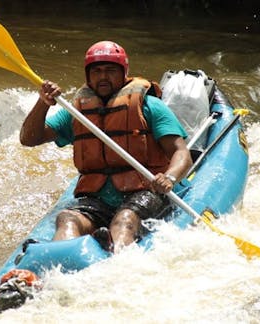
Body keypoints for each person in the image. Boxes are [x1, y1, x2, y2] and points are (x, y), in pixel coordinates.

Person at [19, 41, 192, 253]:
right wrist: (43, 103)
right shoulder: (77, 112)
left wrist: (170, 177)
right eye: (97, 71)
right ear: (88, 75)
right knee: (68, 218)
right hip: (99, 197)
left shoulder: (149, 106)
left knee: (125, 218)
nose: (103, 77)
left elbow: (180, 152)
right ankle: (59, 258)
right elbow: (29, 138)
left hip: (145, 190)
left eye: (110, 71)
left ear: (123, 74)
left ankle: (115, 258)